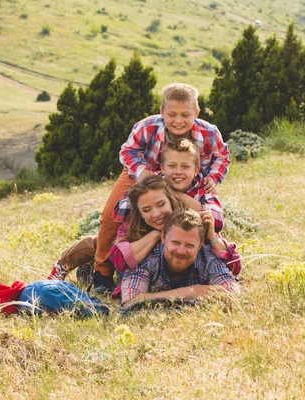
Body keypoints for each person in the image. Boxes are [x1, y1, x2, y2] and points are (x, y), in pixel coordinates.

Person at [92, 83, 230, 293]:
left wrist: (213, 176)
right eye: (172, 114)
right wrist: (141, 172)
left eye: (185, 115)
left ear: (197, 113)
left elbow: (222, 156)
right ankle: (102, 271)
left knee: (193, 214)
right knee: (111, 216)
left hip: (186, 176)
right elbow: (127, 151)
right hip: (143, 173)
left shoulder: (209, 132)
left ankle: (202, 260)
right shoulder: (147, 126)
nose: (178, 121)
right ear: (161, 112)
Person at [119, 208, 240, 306]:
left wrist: (152, 297)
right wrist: (194, 292)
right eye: (175, 243)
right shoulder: (147, 256)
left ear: (200, 244)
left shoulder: (208, 256)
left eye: (189, 245)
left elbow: (232, 293)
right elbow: (131, 301)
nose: (181, 251)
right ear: (163, 238)